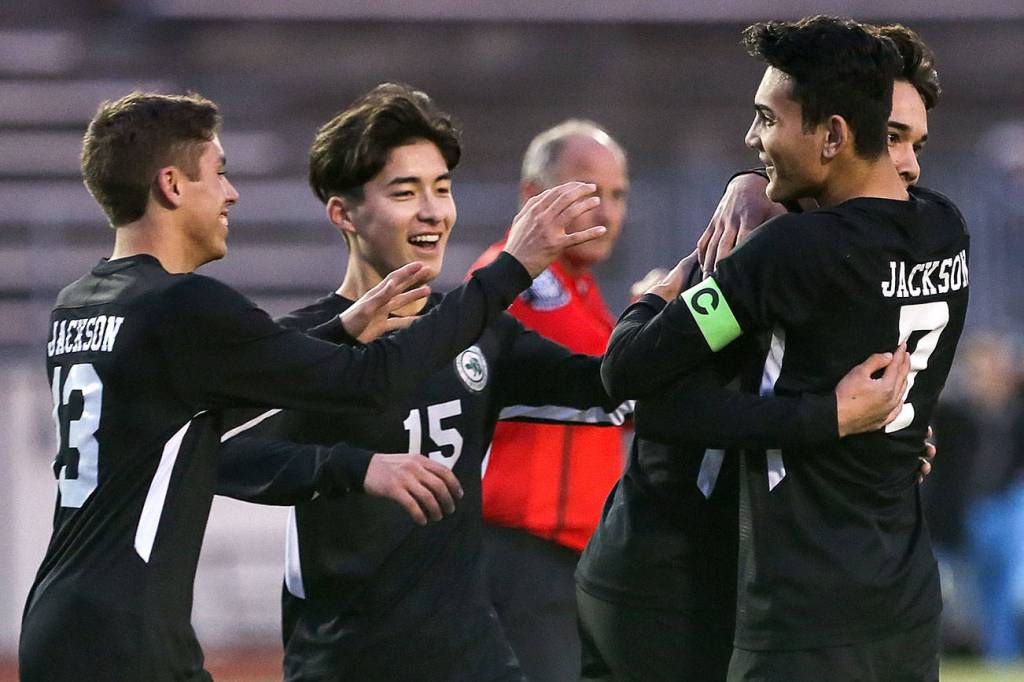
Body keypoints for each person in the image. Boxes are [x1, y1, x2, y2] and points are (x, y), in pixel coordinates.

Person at [18, 91, 605, 682]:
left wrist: (343, 330)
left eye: (441, 187)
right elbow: (365, 384)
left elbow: (205, 415)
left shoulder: (80, 304)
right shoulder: (185, 307)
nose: (231, 193)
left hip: (68, 611)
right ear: (172, 185)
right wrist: (511, 270)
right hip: (134, 633)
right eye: (218, 172)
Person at [215, 83, 627, 682]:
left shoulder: (479, 331)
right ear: (343, 213)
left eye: (442, 188)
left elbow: (604, 382)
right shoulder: (309, 341)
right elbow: (219, 456)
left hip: (471, 658)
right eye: (405, 192)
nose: (433, 211)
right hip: (348, 660)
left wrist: (698, 304)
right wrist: (357, 467)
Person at [600, 16, 968, 682]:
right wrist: (755, 183)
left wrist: (658, 295)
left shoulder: (788, 254)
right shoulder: (947, 227)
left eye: (768, 119)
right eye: (895, 137)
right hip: (906, 603)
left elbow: (629, 372)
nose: (753, 137)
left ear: (834, 135)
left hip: (803, 612)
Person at [466, 119, 629, 681]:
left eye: (618, 194)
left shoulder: (580, 289)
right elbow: (607, 374)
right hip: (523, 553)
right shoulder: (516, 281)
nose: (607, 211)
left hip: (565, 556)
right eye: (588, 192)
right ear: (533, 195)